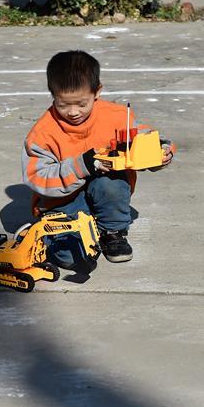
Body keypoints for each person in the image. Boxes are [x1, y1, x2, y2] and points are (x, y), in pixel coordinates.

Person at [22, 49, 173, 269]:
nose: (73, 112)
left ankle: (112, 231)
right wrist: (82, 165)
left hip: (102, 190)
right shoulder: (42, 134)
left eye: (82, 104)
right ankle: (59, 236)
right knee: (70, 257)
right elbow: (38, 178)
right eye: (63, 104)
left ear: (97, 92)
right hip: (62, 200)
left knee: (111, 183)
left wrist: (160, 152)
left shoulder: (116, 116)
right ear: (53, 95)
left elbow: (140, 137)